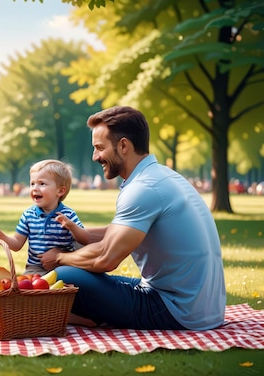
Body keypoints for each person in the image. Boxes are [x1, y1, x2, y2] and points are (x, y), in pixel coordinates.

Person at [39, 106, 226, 330]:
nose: (95, 156)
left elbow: (105, 260)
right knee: (77, 277)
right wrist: (83, 234)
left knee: (64, 275)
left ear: (124, 145)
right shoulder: (163, 177)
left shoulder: (142, 188)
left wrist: (59, 257)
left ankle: (84, 315)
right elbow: (122, 230)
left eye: (100, 147)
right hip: (204, 308)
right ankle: (93, 314)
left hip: (176, 310)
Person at [0, 159, 89, 276]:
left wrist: (72, 226)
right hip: (35, 269)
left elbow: (84, 239)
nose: (35, 188)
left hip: (63, 267)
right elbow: (17, 244)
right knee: (27, 288)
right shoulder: (28, 215)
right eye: (32, 183)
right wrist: (0, 236)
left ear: (60, 191)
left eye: (42, 183)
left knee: (68, 287)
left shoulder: (68, 215)